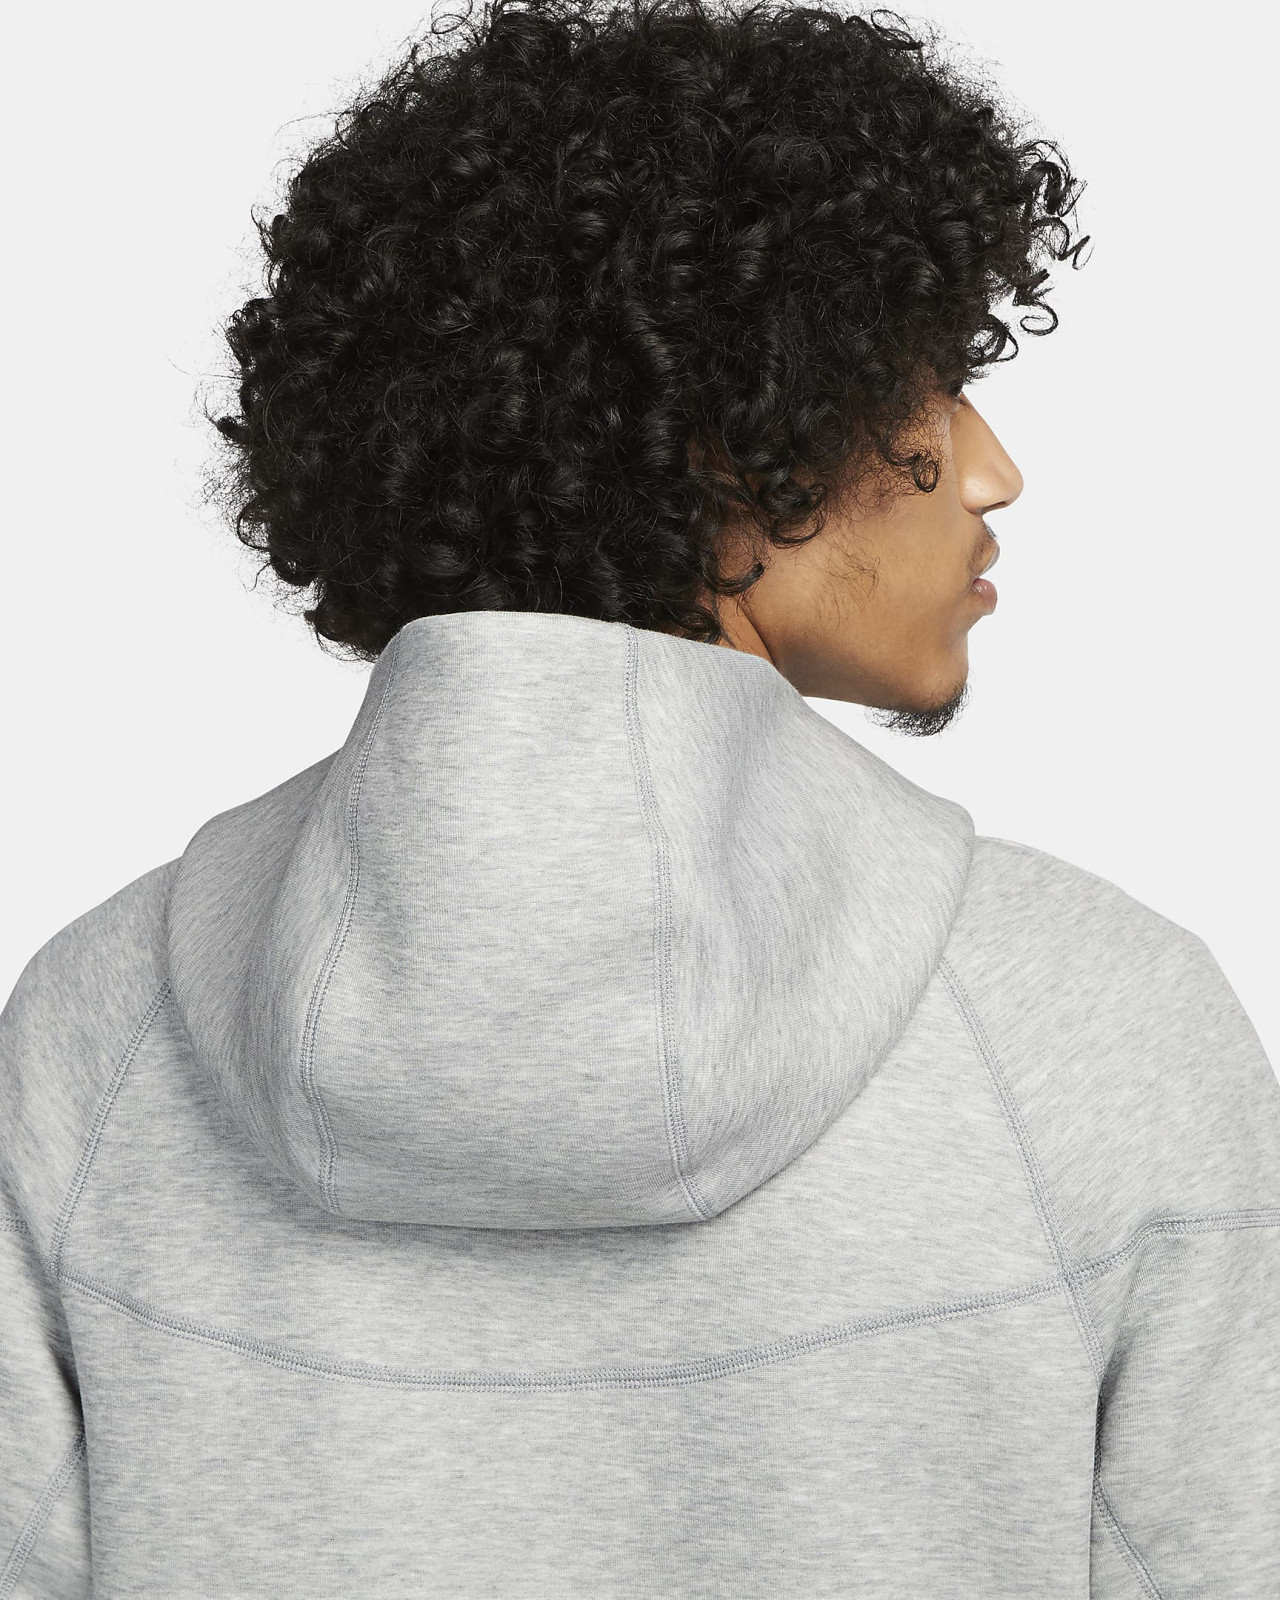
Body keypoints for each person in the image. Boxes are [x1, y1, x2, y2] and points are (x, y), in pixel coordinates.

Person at [2, 0, 1276, 1594]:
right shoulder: (1097, 1024)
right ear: (727, 441)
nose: (992, 468)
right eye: (924, 383)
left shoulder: (96, 1037)